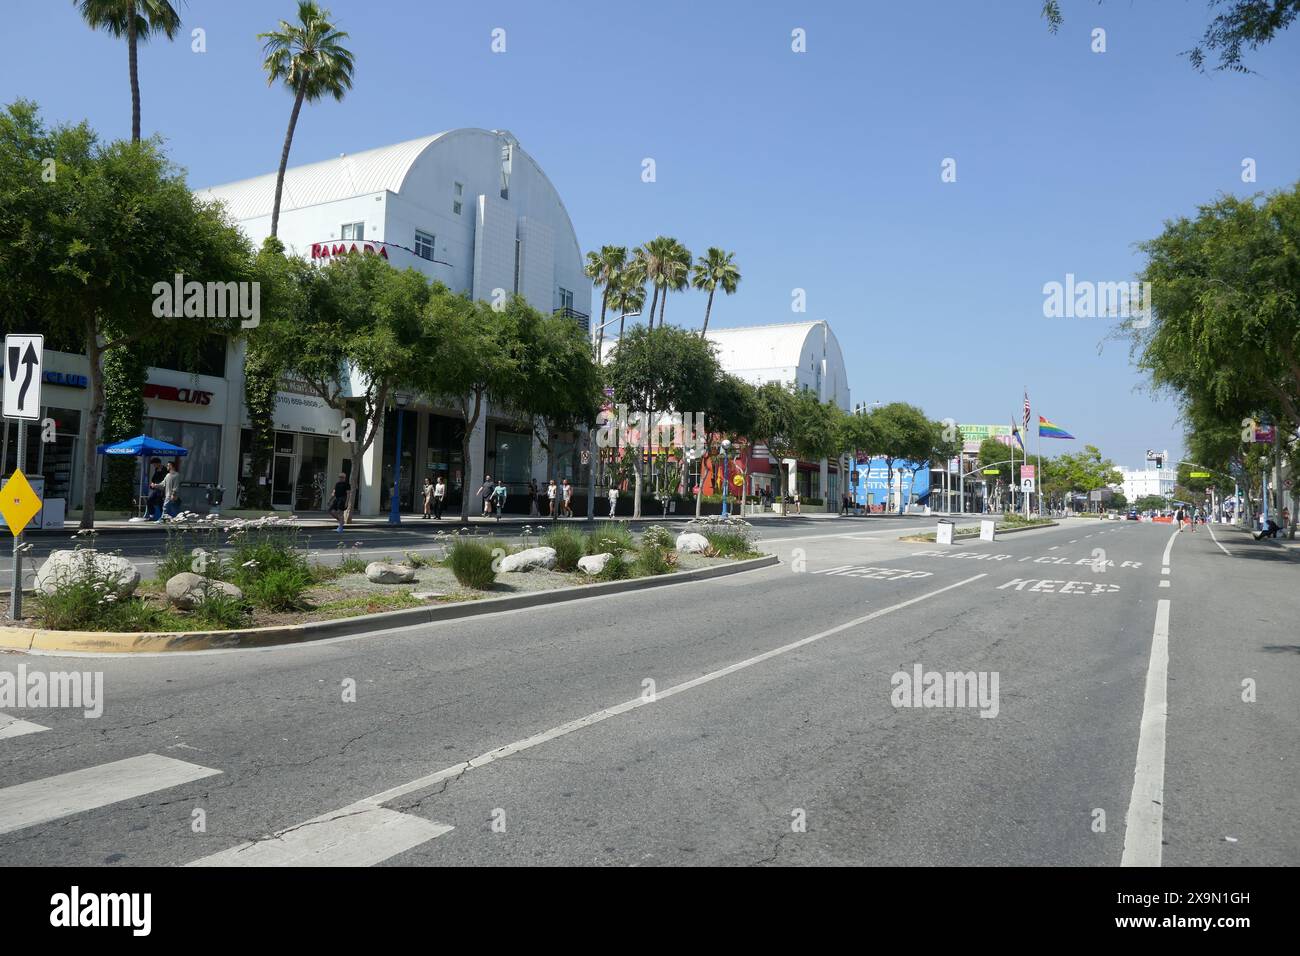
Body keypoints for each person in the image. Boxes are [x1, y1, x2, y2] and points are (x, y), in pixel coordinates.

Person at [145, 457, 165, 521]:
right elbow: (154, 479)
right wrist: (152, 484)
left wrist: (157, 485)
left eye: (154, 464)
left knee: (160, 502)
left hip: (162, 489)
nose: (154, 466)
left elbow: (164, 480)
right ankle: (151, 515)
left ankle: (163, 517)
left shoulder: (164, 470)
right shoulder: (156, 469)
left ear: (158, 463)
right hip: (156, 488)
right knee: (149, 500)